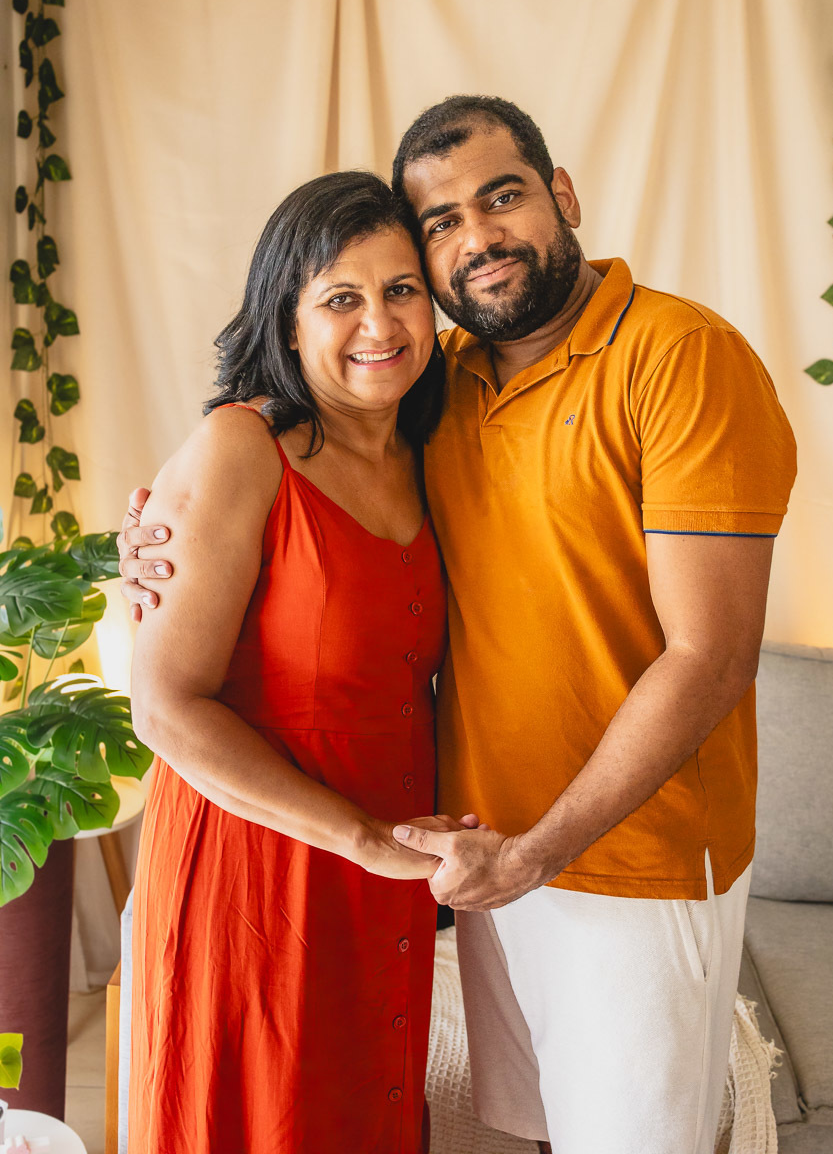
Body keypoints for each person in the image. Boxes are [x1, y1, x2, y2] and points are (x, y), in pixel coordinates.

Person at [120, 97, 797, 1154]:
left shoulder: (666, 358)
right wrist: (165, 521)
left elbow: (710, 653)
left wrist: (527, 850)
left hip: (590, 854)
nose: (473, 238)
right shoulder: (433, 395)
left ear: (560, 195)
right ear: (287, 314)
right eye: (437, 225)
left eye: (502, 196)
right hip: (385, 855)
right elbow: (173, 679)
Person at [124, 169, 479, 1154]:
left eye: (402, 288)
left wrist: (387, 847)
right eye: (341, 297)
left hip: (386, 867)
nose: (380, 321)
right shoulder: (242, 448)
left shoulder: (431, 447)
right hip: (262, 865)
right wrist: (362, 837)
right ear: (285, 322)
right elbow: (162, 704)